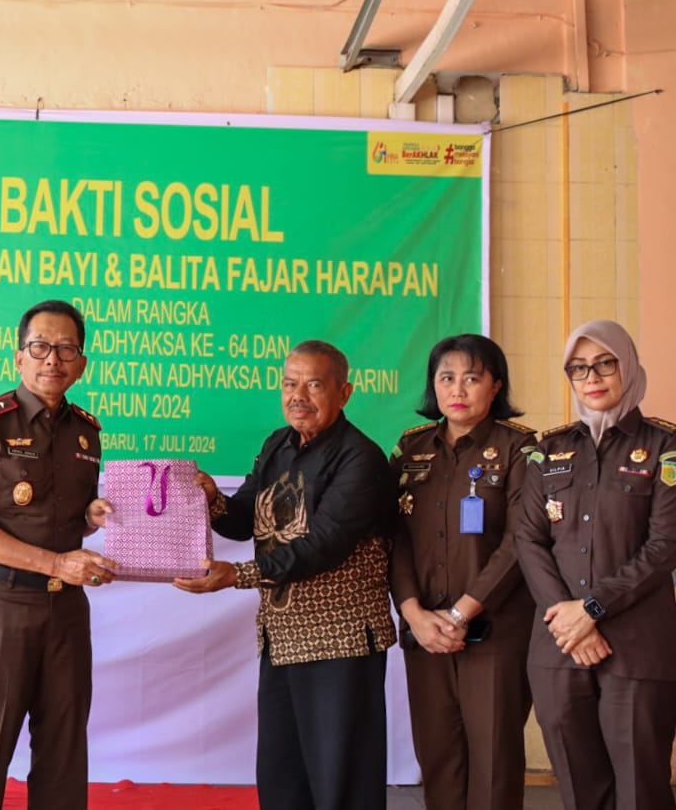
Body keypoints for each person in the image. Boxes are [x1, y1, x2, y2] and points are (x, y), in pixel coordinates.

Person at [174, 340, 397, 810]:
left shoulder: (360, 458)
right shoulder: (277, 444)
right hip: (282, 636)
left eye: (313, 385)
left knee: (340, 781)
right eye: (289, 384)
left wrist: (237, 576)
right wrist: (212, 499)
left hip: (340, 640)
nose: (298, 396)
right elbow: (242, 519)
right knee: (282, 776)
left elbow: (323, 546)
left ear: (344, 392)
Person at [0, 299, 116, 810]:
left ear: (81, 364)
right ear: (18, 357)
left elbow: (63, 516)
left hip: (65, 610)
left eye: (66, 349)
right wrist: (57, 563)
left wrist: (92, 515)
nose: (52, 359)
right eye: (40, 347)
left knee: (64, 751)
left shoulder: (87, 431)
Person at [514, 319, 676, 810]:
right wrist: (569, 620)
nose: (592, 377)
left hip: (637, 647)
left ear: (628, 366)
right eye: (578, 368)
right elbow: (528, 538)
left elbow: (665, 544)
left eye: (605, 363)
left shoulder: (666, 447)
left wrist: (592, 609)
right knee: (579, 788)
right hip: (559, 645)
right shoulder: (547, 450)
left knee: (641, 789)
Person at [389, 334, 535, 810]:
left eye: (471, 378)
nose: (457, 389)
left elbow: (521, 542)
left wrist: (460, 613)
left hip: (495, 634)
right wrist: (413, 613)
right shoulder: (411, 449)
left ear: (496, 386)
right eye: (446, 377)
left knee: (494, 764)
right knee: (438, 760)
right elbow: (393, 538)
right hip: (425, 634)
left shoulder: (520, 449)